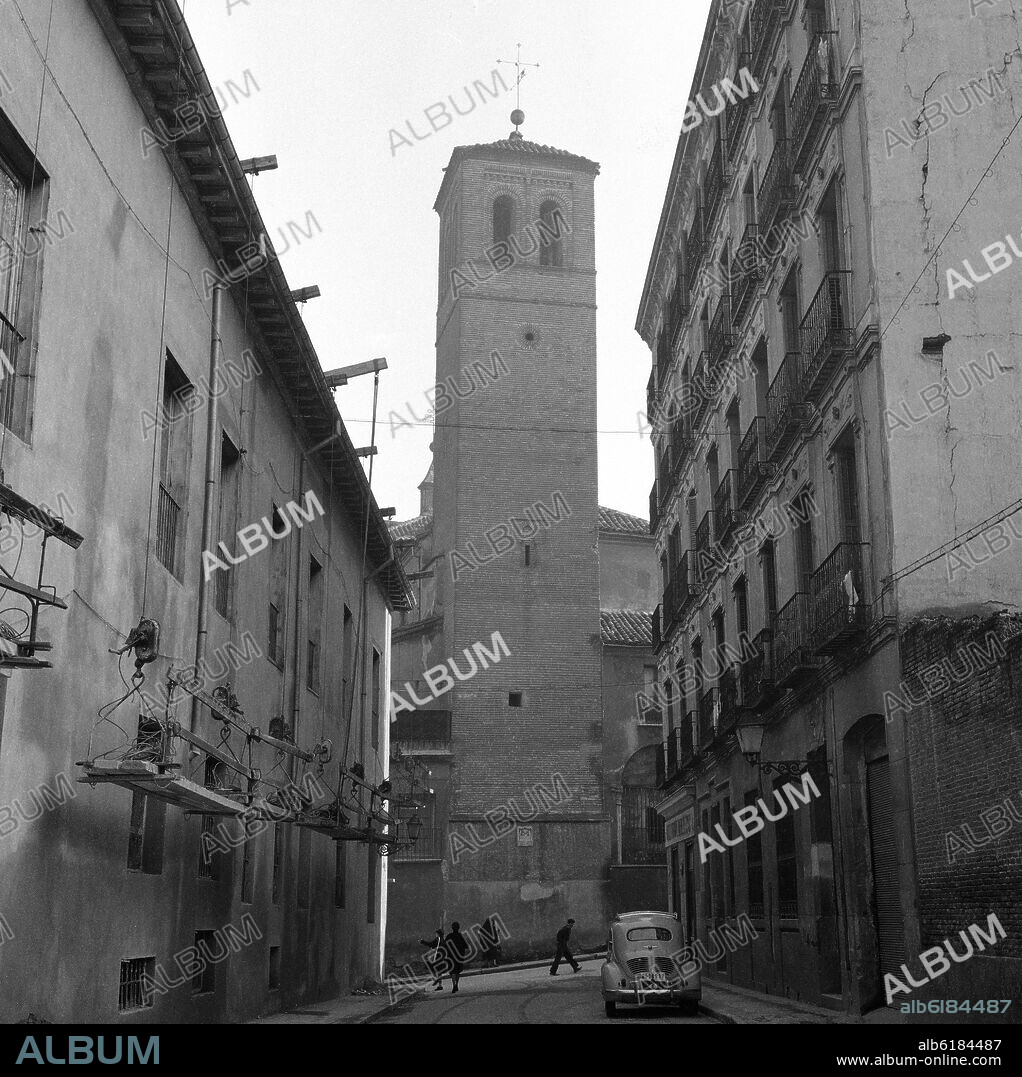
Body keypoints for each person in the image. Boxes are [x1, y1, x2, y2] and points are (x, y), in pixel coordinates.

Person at [444, 921, 470, 993]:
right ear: (458, 928)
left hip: (451, 957)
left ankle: (454, 984)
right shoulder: (460, 936)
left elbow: (445, 946)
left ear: (452, 928)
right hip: (459, 957)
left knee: (452, 971)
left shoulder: (449, 936)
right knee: (458, 971)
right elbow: (466, 946)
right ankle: (457, 985)